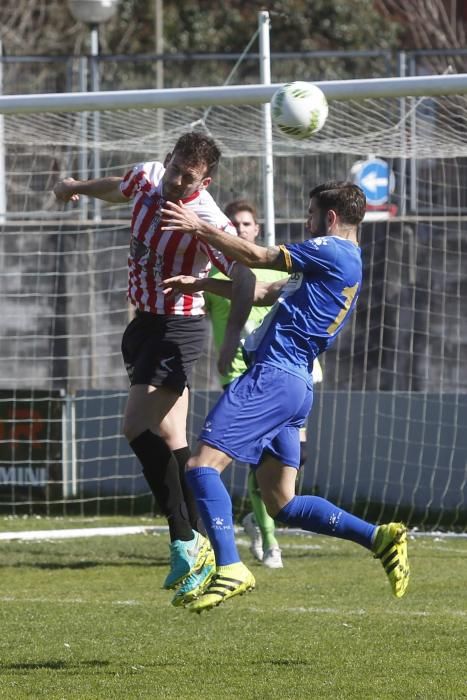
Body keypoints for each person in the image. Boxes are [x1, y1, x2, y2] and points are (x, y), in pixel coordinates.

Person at [161, 181, 410, 613]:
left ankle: (232, 565)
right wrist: (203, 286)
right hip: (295, 386)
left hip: (273, 376)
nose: (306, 222)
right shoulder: (341, 263)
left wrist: (199, 227)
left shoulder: (330, 249)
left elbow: (257, 258)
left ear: (330, 219)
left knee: (201, 468)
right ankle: (378, 537)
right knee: (283, 503)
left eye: (311, 213)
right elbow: (260, 291)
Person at [53, 132, 256, 606]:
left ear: (206, 180)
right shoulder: (147, 176)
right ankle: (203, 549)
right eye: (175, 169)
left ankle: (185, 541)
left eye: (190, 178)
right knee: (172, 442)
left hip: (178, 330)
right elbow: (118, 186)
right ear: (168, 159)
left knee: (134, 425)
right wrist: (77, 186)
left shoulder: (205, 217)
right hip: (144, 324)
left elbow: (245, 278)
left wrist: (229, 343)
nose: (178, 181)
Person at [205, 199, 322, 569]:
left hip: (281, 370)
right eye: (233, 224)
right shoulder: (218, 275)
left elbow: (276, 298)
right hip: (239, 372)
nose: (240, 229)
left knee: (294, 461)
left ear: (256, 230)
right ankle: (270, 542)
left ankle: (259, 518)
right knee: (256, 459)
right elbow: (200, 309)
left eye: (246, 224)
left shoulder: (272, 272)